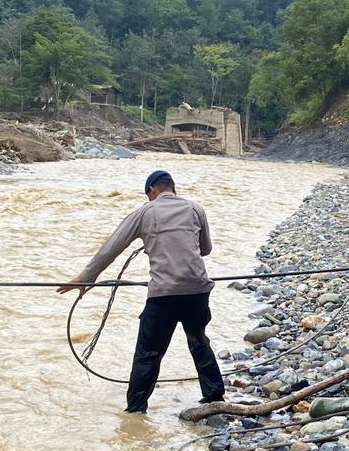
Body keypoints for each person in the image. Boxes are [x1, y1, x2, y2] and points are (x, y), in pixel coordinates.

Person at [58, 170, 225, 414]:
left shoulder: (144, 212)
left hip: (164, 295)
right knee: (199, 342)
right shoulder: (195, 209)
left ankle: (135, 411)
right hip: (198, 291)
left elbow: (111, 248)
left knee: (148, 354)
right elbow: (205, 249)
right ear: (172, 189)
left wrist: (86, 278)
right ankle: (215, 398)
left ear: (152, 191)